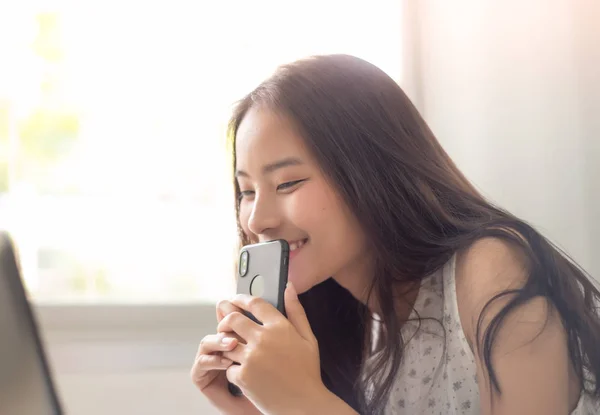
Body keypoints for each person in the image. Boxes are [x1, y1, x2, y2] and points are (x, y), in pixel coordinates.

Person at [190, 54, 600, 414]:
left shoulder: (492, 268)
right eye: (246, 192)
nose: (257, 220)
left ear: (372, 173)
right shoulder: (354, 329)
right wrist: (262, 409)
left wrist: (303, 403)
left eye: (288, 183)